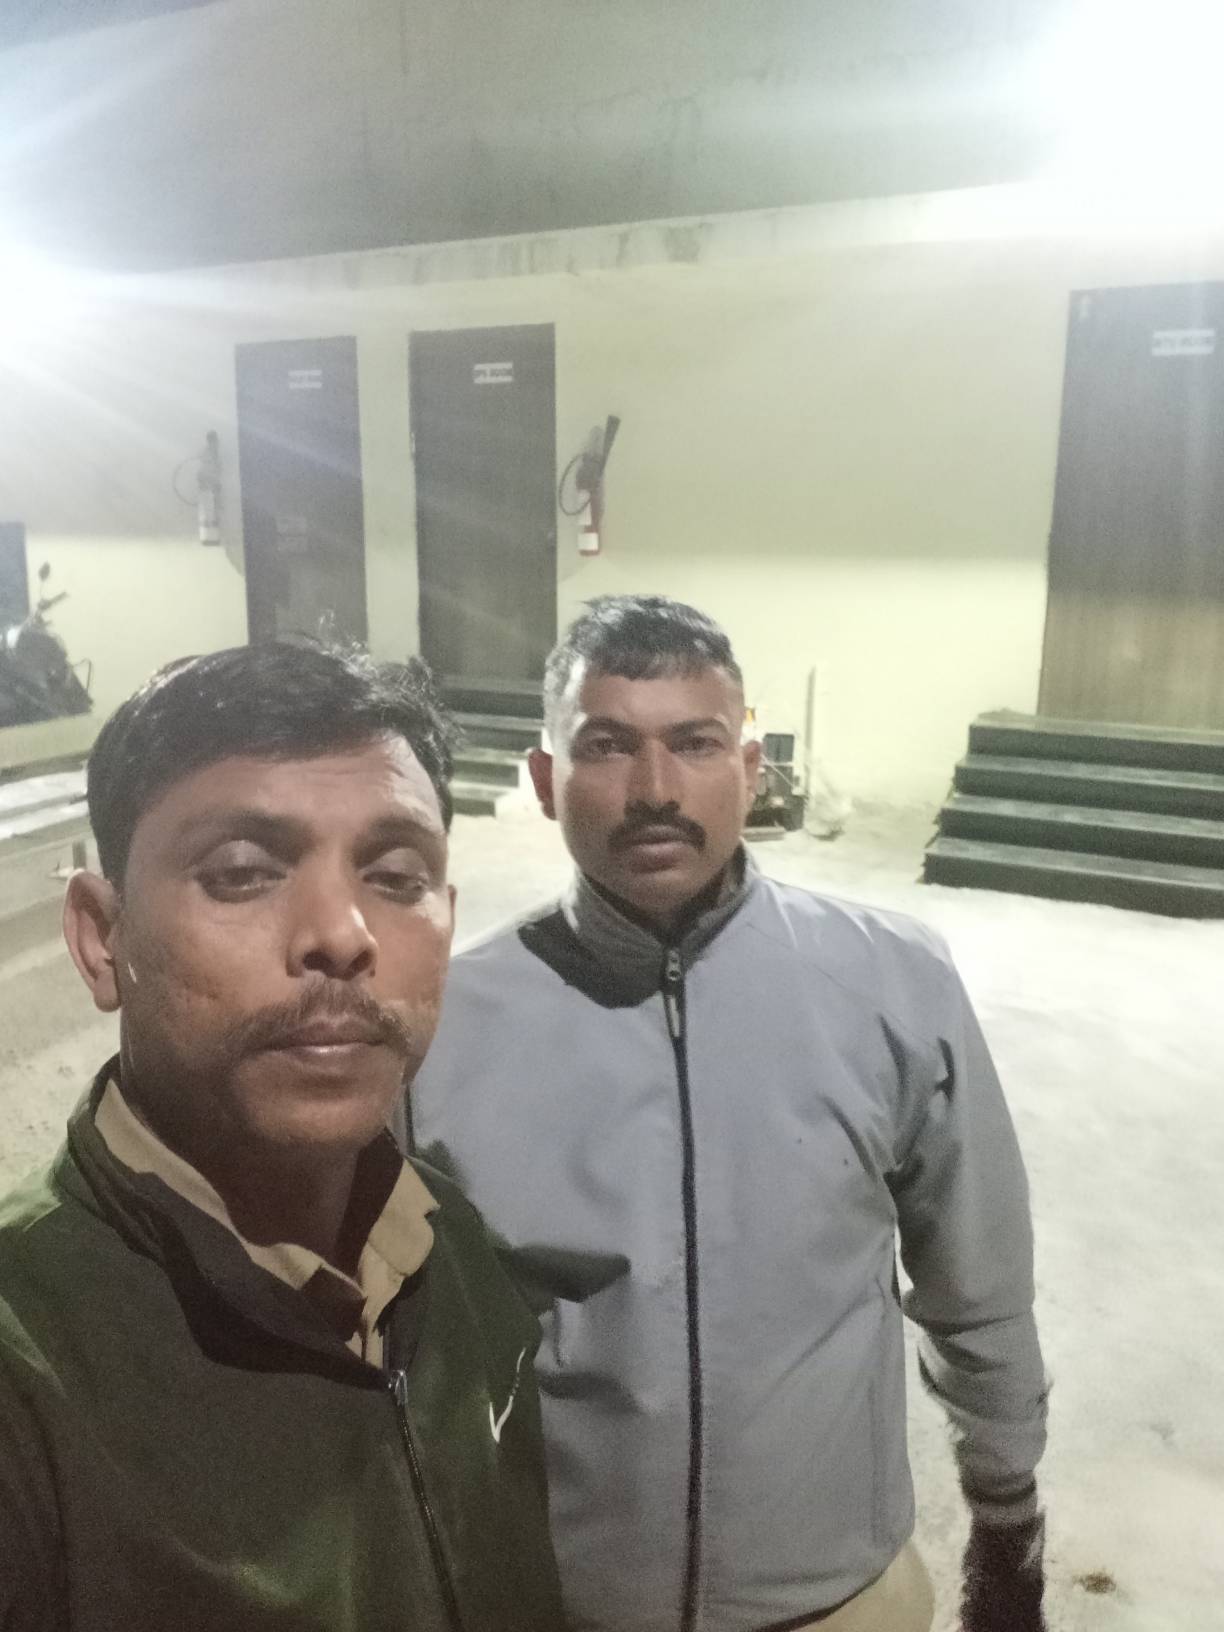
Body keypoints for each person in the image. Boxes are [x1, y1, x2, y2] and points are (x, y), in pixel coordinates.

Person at [407, 596, 1049, 1632]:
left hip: (840, 1600)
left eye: (695, 743)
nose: (655, 790)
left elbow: (977, 1280)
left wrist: (1007, 1518)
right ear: (543, 779)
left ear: (752, 770)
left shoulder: (891, 984)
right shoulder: (447, 1027)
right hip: (562, 1605)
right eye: (607, 746)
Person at [0, 642, 568, 1632]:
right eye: (240, 873)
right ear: (101, 937)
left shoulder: (445, 1239)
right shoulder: (28, 1373)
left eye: (397, 876)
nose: (343, 933)